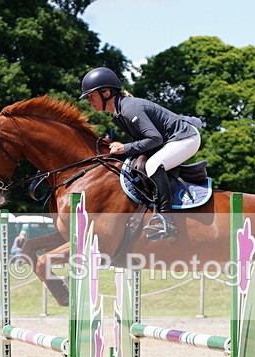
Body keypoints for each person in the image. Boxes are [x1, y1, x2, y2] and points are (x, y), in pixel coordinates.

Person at [79, 67, 203, 242]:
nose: (89, 101)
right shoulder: (118, 114)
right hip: (170, 140)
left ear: (106, 93)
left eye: (91, 96)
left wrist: (125, 147)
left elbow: (155, 139)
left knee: (153, 166)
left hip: (185, 138)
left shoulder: (129, 109)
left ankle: (167, 222)